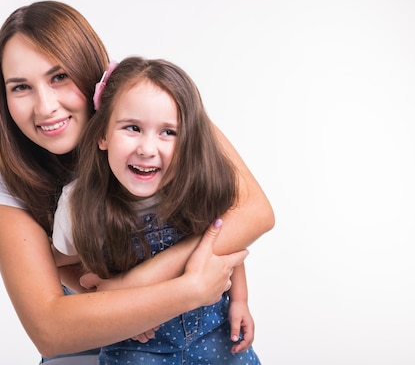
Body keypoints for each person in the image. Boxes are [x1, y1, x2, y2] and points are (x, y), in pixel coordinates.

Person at [0, 0, 274, 364]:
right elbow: (50, 329)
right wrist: (180, 290)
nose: (45, 107)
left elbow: (250, 213)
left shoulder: (151, 105)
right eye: (20, 87)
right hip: (91, 331)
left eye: (59, 77)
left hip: (198, 329)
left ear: (89, 71)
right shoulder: (9, 177)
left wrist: (138, 283)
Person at [52, 57, 260, 364]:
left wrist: (240, 300)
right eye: (133, 128)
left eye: (168, 132)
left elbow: (226, 249)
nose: (147, 149)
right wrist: (114, 305)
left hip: (213, 331)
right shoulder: (79, 205)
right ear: (103, 135)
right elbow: (58, 263)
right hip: (136, 344)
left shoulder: (198, 187)